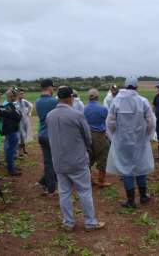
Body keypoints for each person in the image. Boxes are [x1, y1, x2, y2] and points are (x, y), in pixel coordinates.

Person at [47, 86, 105, 232]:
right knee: (84, 191)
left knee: (64, 192)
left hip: (59, 161)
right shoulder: (77, 115)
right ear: (70, 98)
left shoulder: (50, 115)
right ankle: (90, 222)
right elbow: (88, 138)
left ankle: (68, 223)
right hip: (77, 160)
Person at [106, 77, 156, 208]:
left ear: (125, 86)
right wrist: (147, 135)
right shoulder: (143, 101)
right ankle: (144, 196)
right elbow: (151, 121)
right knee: (140, 165)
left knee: (126, 168)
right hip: (140, 141)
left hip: (123, 141)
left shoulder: (117, 101)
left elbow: (110, 122)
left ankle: (131, 200)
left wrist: (115, 135)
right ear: (136, 87)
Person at [84, 89, 111, 187]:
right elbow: (108, 121)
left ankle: (89, 179)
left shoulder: (84, 109)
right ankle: (101, 180)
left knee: (89, 158)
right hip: (99, 135)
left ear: (89, 97)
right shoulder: (103, 109)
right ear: (97, 97)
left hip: (87, 135)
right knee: (103, 157)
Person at [35, 79, 58, 196]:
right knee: (55, 162)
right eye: (53, 88)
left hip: (42, 134)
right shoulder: (54, 102)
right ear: (49, 88)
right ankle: (51, 187)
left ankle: (44, 182)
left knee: (48, 162)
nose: (53, 89)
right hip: (53, 135)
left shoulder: (38, 101)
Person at [0, 89, 22, 176]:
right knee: (11, 150)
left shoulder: (9, 106)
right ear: (12, 97)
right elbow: (18, 117)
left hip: (11, 130)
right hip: (11, 130)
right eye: (15, 95)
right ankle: (11, 169)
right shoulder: (9, 106)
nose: (17, 97)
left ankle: (12, 166)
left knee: (11, 150)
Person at [17, 89, 33, 156]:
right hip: (18, 122)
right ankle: (20, 152)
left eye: (23, 93)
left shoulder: (24, 101)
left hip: (24, 121)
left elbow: (31, 106)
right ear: (17, 94)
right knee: (20, 136)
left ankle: (24, 149)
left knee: (23, 136)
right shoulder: (15, 102)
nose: (22, 95)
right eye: (21, 93)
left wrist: (29, 113)